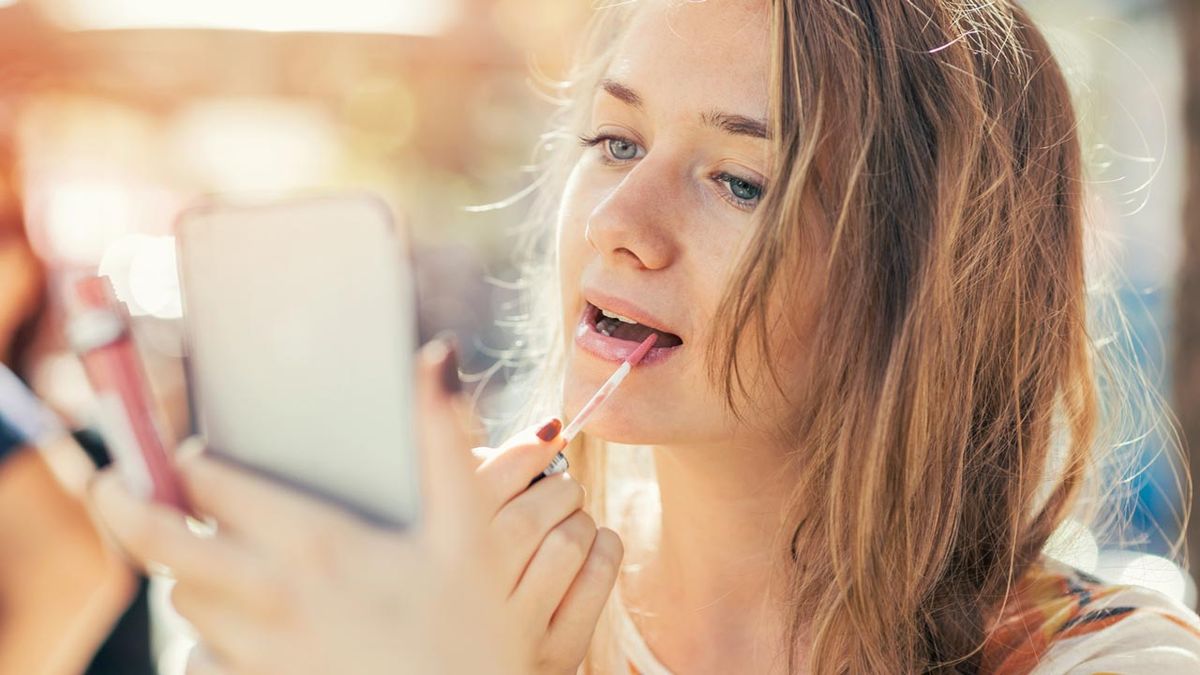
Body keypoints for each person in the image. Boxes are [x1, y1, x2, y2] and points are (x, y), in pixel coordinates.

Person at [88, 0, 1200, 673]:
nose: (621, 226)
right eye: (615, 142)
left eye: (738, 178)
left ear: (927, 276)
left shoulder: (1110, 659)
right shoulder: (444, 596)